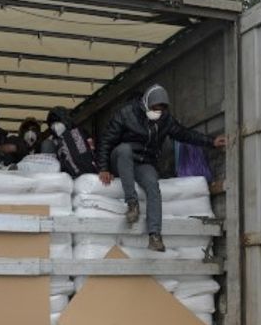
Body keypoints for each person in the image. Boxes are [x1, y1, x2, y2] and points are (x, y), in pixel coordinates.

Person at [97, 84, 227, 251]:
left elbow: (184, 134)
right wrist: (103, 167)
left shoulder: (165, 119)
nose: (157, 113)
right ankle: (132, 204)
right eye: (155, 109)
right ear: (146, 103)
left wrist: (211, 141)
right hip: (121, 160)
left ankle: (155, 236)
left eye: (161, 110)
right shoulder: (126, 113)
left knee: (152, 184)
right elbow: (107, 140)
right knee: (124, 149)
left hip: (144, 162)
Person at [40, 107, 98, 177]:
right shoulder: (52, 141)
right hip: (67, 177)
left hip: (86, 173)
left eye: (57, 122)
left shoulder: (78, 133)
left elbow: (90, 152)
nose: (55, 126)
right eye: (52, 124)